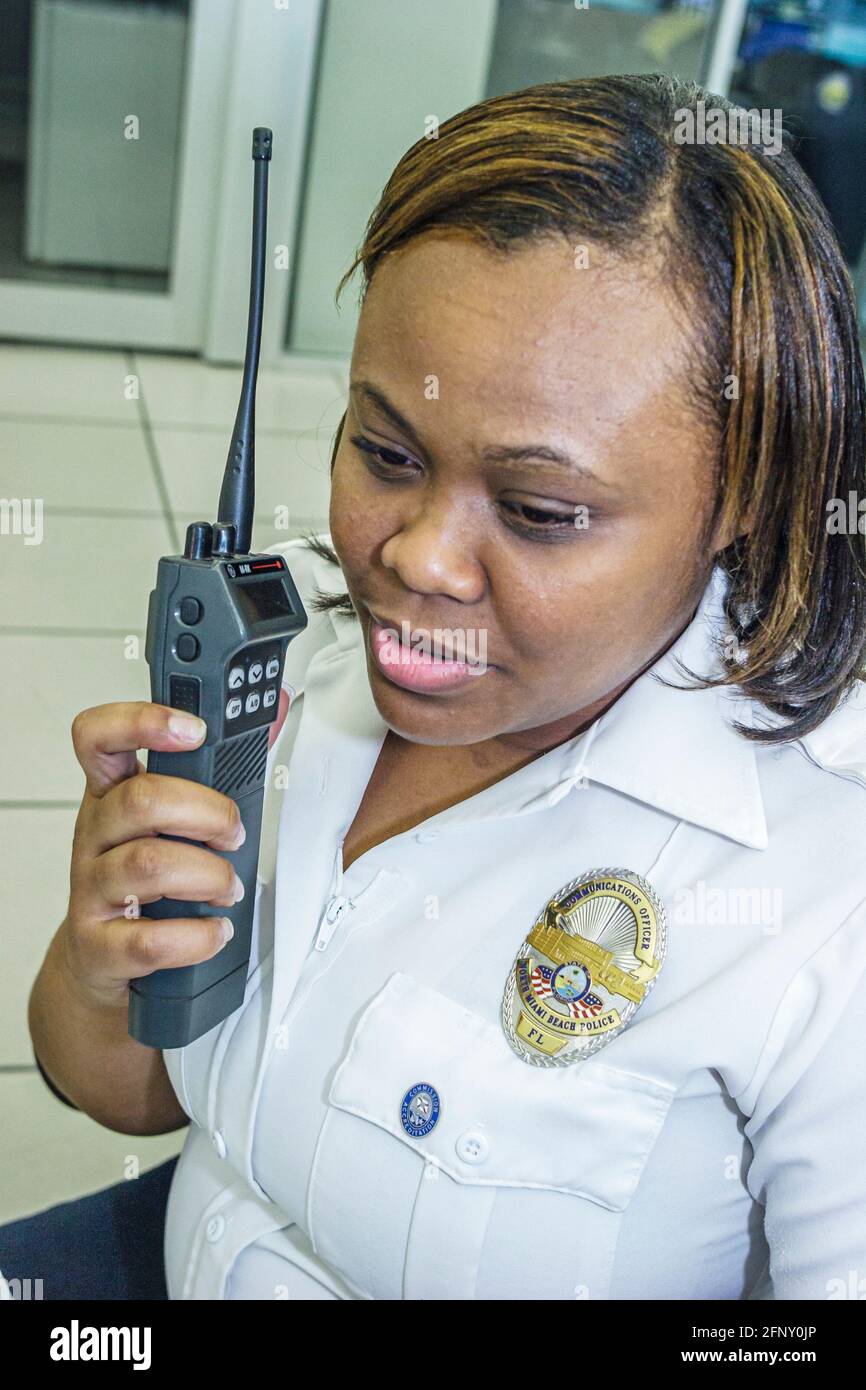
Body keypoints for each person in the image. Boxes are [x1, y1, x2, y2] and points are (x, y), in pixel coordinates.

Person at [12, 73, 866, 1300]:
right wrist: (102, 966)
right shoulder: (291, 652)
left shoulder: (821, 891)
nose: (411, 556)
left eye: (537, 510)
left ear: (741, 499)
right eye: (385, 452)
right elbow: (138, 1094)